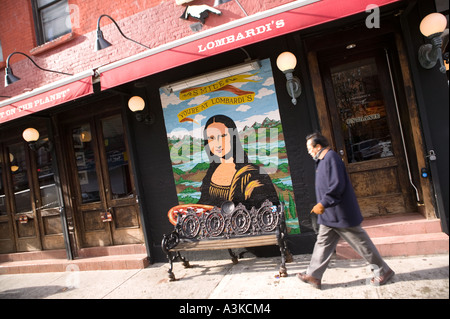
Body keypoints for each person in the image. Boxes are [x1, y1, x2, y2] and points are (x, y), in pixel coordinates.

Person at [297, 132, 394, 289]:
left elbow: (337, 185)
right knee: (322, 243)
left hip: (341, 214)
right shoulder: (321, 160)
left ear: (318, 146)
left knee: (362, 244)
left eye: (310, 148)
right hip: (329, 215)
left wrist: (323, 203)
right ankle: (313, 275)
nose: (308, 151)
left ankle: (383, 271)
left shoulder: (331, 158)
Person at [197, 114, 279, 209]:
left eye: (223, 136)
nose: (218, 144)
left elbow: (269, 210)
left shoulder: (253, 175)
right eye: (211, 138)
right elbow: (203, 207)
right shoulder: (211, 173)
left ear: (233, 137)